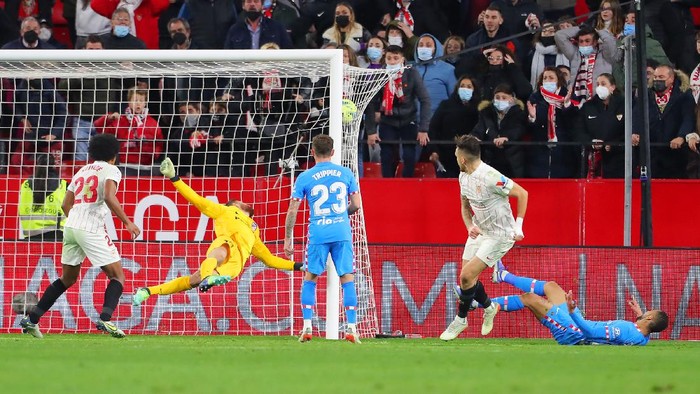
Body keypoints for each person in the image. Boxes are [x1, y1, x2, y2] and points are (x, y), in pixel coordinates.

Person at [132, 157, 303, 306]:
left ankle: (147, 290)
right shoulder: (225, 211)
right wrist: (174, 178)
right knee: (220, 252)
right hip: (225, 244)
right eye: (239, 201)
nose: (243, 202)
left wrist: (298, 266)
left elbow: (270, 260)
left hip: (235, 266)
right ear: (233, 205)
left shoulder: (254, 231)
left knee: (193, 280)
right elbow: (197, 200)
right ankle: (208, 278)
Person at [20, 134, 141, 339]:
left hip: (71, 226)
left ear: (92, 152)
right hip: (90, 228)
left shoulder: (82, 171)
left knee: (67, 279)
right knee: (117, 276)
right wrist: (127, 222)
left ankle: (31, 320)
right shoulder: (112, 170)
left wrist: (76, 222)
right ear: (114, 155)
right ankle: (105, 318)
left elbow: (65, 205)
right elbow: (109, 196)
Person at [439, 134, 528, 341]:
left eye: (455, 155)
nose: (455, 158)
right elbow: (464, 206)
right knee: (467, 279)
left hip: (500, 235)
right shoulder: (463, 176)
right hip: (480, 230)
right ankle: (490, 307)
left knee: (466, 277)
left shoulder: (490, 176)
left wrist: (519, 225)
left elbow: (523, 194)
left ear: (462, 159)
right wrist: (469, 225)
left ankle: (460, 320)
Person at [283, 135, 363, 343]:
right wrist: (341, 214)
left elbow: (293, 209)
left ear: (312, 152)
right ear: (333, 152)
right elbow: (356, 204)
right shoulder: (346, 173)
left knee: (311, 278)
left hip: (318, 233)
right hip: (342, 232)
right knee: (347, 278)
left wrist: (287, 237)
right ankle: (352, 328)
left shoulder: (305, 177)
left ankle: (307, 327)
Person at [486, 261, 669, 345]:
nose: (646, 311)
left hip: (572, 332)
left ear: (650, 316)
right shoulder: (643, 337)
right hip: (576, 324)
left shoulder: (624, 329)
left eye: (648, 311)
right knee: (552, 287)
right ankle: (502, 275)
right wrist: (639, 315)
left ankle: (479, 303)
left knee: (529, 298)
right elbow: (642, 330)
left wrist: (572, 311)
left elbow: (589, 331)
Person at [365, 45, 431, 178]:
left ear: (402, 59)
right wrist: (371, 131)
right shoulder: (380, 75)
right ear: (385, 59)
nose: (393, 61)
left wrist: (423, 129)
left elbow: (425, 100)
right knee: (387, 156)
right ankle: (388, 185)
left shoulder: (412, 73)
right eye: (389, 58)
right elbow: (370, 103)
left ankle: (407, 185)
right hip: (388, 120)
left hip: (409, 119)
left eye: (396, 58)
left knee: (409, 155)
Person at [471, 83, 528, 179]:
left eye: (504, 97)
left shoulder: (518, 113)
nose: (500, 100)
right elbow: (479, 128)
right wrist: (474, 137)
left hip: (512, 162)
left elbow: (519, 129)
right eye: (497, 97)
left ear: (512, 99)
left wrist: (507, 138)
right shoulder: (486, 112)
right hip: (491, 159)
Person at [428, 75, 480, 178]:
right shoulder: (445, 105)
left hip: (470, 158)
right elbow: (433, 128)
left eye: (469, 87)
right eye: (462, 86)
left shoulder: (479, 109)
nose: (465, 89)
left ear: (474, 90)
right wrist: (434, 150)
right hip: (446, 156)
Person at [574, 73, 625, 178]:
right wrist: (591, 142)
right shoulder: (588, 106)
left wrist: (613, 144)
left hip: (618, 161)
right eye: (597, 84)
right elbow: (579, 130)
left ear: (612, 87)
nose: (599, 87)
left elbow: (628, 130)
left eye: (603, 84)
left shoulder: (624, 104)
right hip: (593, 161)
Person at [555, 25, 619, 102]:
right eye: (581, 41)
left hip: (599, 99)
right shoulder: (575, 54)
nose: (584, 44)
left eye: (587, 41)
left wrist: (596, 30)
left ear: (595, 42)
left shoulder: (605, 54)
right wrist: (580, 28)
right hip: (576, 100)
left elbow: (609, 40)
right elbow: (559, 36)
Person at [18, 154, 66, 241]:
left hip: (30, 234)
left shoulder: (25, 185)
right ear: (54, 166)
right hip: (56, 235)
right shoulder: (63, 185)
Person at [223, 0, 293, 49]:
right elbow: (227, 55)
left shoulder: (277, 28)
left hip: (269, 69)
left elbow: (288, 52)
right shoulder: (235, 30)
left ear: (262, 5)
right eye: (249, 1)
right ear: (243, 6)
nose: (252, 4)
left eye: (256, 1)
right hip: (244, 69)